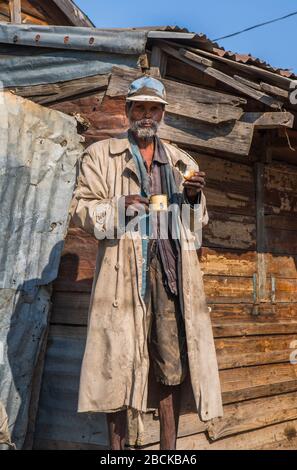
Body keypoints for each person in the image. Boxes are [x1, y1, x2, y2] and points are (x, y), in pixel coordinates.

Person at [70, 76, 223, 450]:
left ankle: (168, 452)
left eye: (154, 108)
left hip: (170, 275)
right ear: (127, 112)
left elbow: (196, 226)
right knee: (118, 368)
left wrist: (190, 198)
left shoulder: (182, 161)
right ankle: (117, 452)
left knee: (170, 369)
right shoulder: (101, 155)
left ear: (163, 114)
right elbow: (80, 210)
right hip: (124, 277)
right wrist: (118, 207)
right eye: (139, 107)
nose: (146, 115)